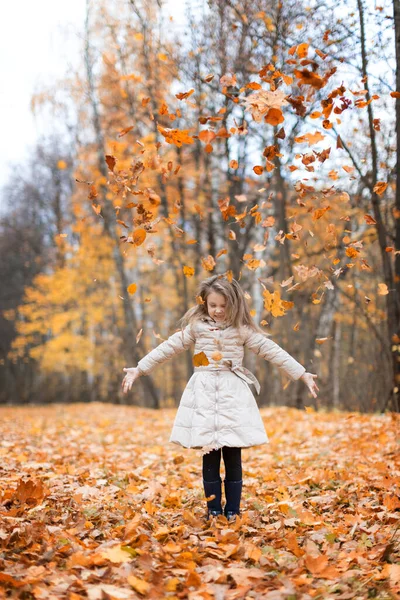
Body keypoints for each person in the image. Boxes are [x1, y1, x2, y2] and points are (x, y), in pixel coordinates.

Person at [122, 274, 319, 521]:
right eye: (212, 305)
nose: (217, 310)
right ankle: (214, 509)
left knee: (233, 455)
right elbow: (168, 348)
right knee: (210, 455)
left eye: (223, 306)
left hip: (233, 395)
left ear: (234, 305)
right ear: (205, 303)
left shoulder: (241, 330)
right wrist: (139, 369)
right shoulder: (196, 328)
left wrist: (301, 374)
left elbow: (272, 351)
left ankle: (233, 510)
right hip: (203, 395)